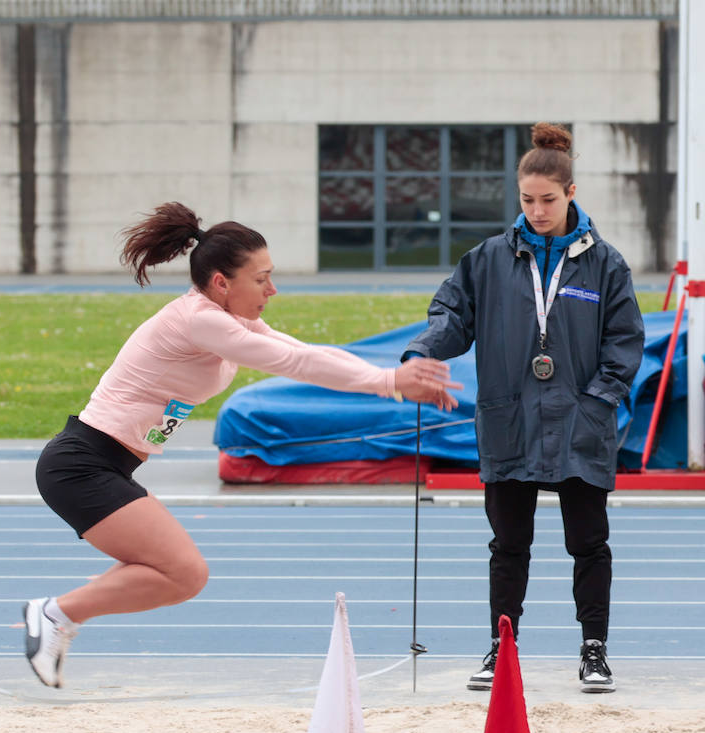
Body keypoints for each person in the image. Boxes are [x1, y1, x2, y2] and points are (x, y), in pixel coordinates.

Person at [23, 202, 461, 688]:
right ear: (221, 282)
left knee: (176, 573)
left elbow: (303, 352)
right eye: (262, 278)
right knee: (184, 573)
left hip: (104, 464)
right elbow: (293, 366)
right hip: (81, 465)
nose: (272, 290)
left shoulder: (221, 317)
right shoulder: (200, 321)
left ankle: (60, 614)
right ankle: (55, 613)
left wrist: (392, 377)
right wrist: (388, 381)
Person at [402, 122, 644, 693]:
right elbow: (451, 317)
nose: (537, 211)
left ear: (571, 194)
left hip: (580, 423)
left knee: (588, 542)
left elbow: (625, 341)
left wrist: (598, 400)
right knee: (508, 544)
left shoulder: (605, 265)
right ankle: (501, 646)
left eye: (549, 200)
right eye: (528, 200)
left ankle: (594, 648)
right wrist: (420, 353)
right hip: (509, 419)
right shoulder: (487, 259)